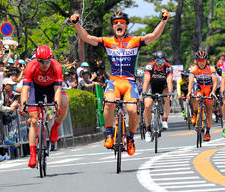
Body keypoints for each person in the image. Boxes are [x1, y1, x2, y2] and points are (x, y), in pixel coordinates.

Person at [70, 10, 170, 155]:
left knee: (131, 109)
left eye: (122, 22)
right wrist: (76, 24)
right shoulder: (108, 42)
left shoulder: (135, 41)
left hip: (129, 83)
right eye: (115, 23)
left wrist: (163, 21)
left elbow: (153, 36)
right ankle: (109, 134)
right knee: (109, 103)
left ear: (126, 26)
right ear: (112, 27)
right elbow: (86, 37)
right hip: (114, 82)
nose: (118, 24)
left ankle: (130, 138)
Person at [19, 45, 69, 168]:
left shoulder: (56, 66)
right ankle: (32, 154)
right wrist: (23, 106)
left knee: (64, 101)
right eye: (41, 61)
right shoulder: (31, 66)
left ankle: (55, 127)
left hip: (52, 87)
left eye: (47, 61)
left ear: (51, 59)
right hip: (36, 88)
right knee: (34, 120)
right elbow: (25, 89)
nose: (45, 64)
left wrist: (56, 106)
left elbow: (57, 88)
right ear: (37, 60)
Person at [142, 51, 174, 140]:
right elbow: (146, 80)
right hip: (151, 86)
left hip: (163, 86)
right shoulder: (150, 67)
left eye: (162, 61)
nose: (160, 64)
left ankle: (164, 120)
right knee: (147, 106)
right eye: (158, 61)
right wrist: (144, 92)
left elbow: (169, 81)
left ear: (165, 61)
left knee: (167, 96)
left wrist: (170, 92)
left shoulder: (168, 67)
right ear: (155, 61)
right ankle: (148, 130)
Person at [187, 50, 218, 141]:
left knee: (209, 112)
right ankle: (195, 114)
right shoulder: (193, 69)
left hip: (209, 89)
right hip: (199, 88)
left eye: (203, 61)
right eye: (199, 61)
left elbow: (215, 81)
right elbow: (191, 82)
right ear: (196, 61)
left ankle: (207, 132)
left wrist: (213, 92)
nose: (201, 63)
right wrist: (189, 92)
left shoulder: (211, 69)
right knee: (197, 98)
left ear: (206, 61)